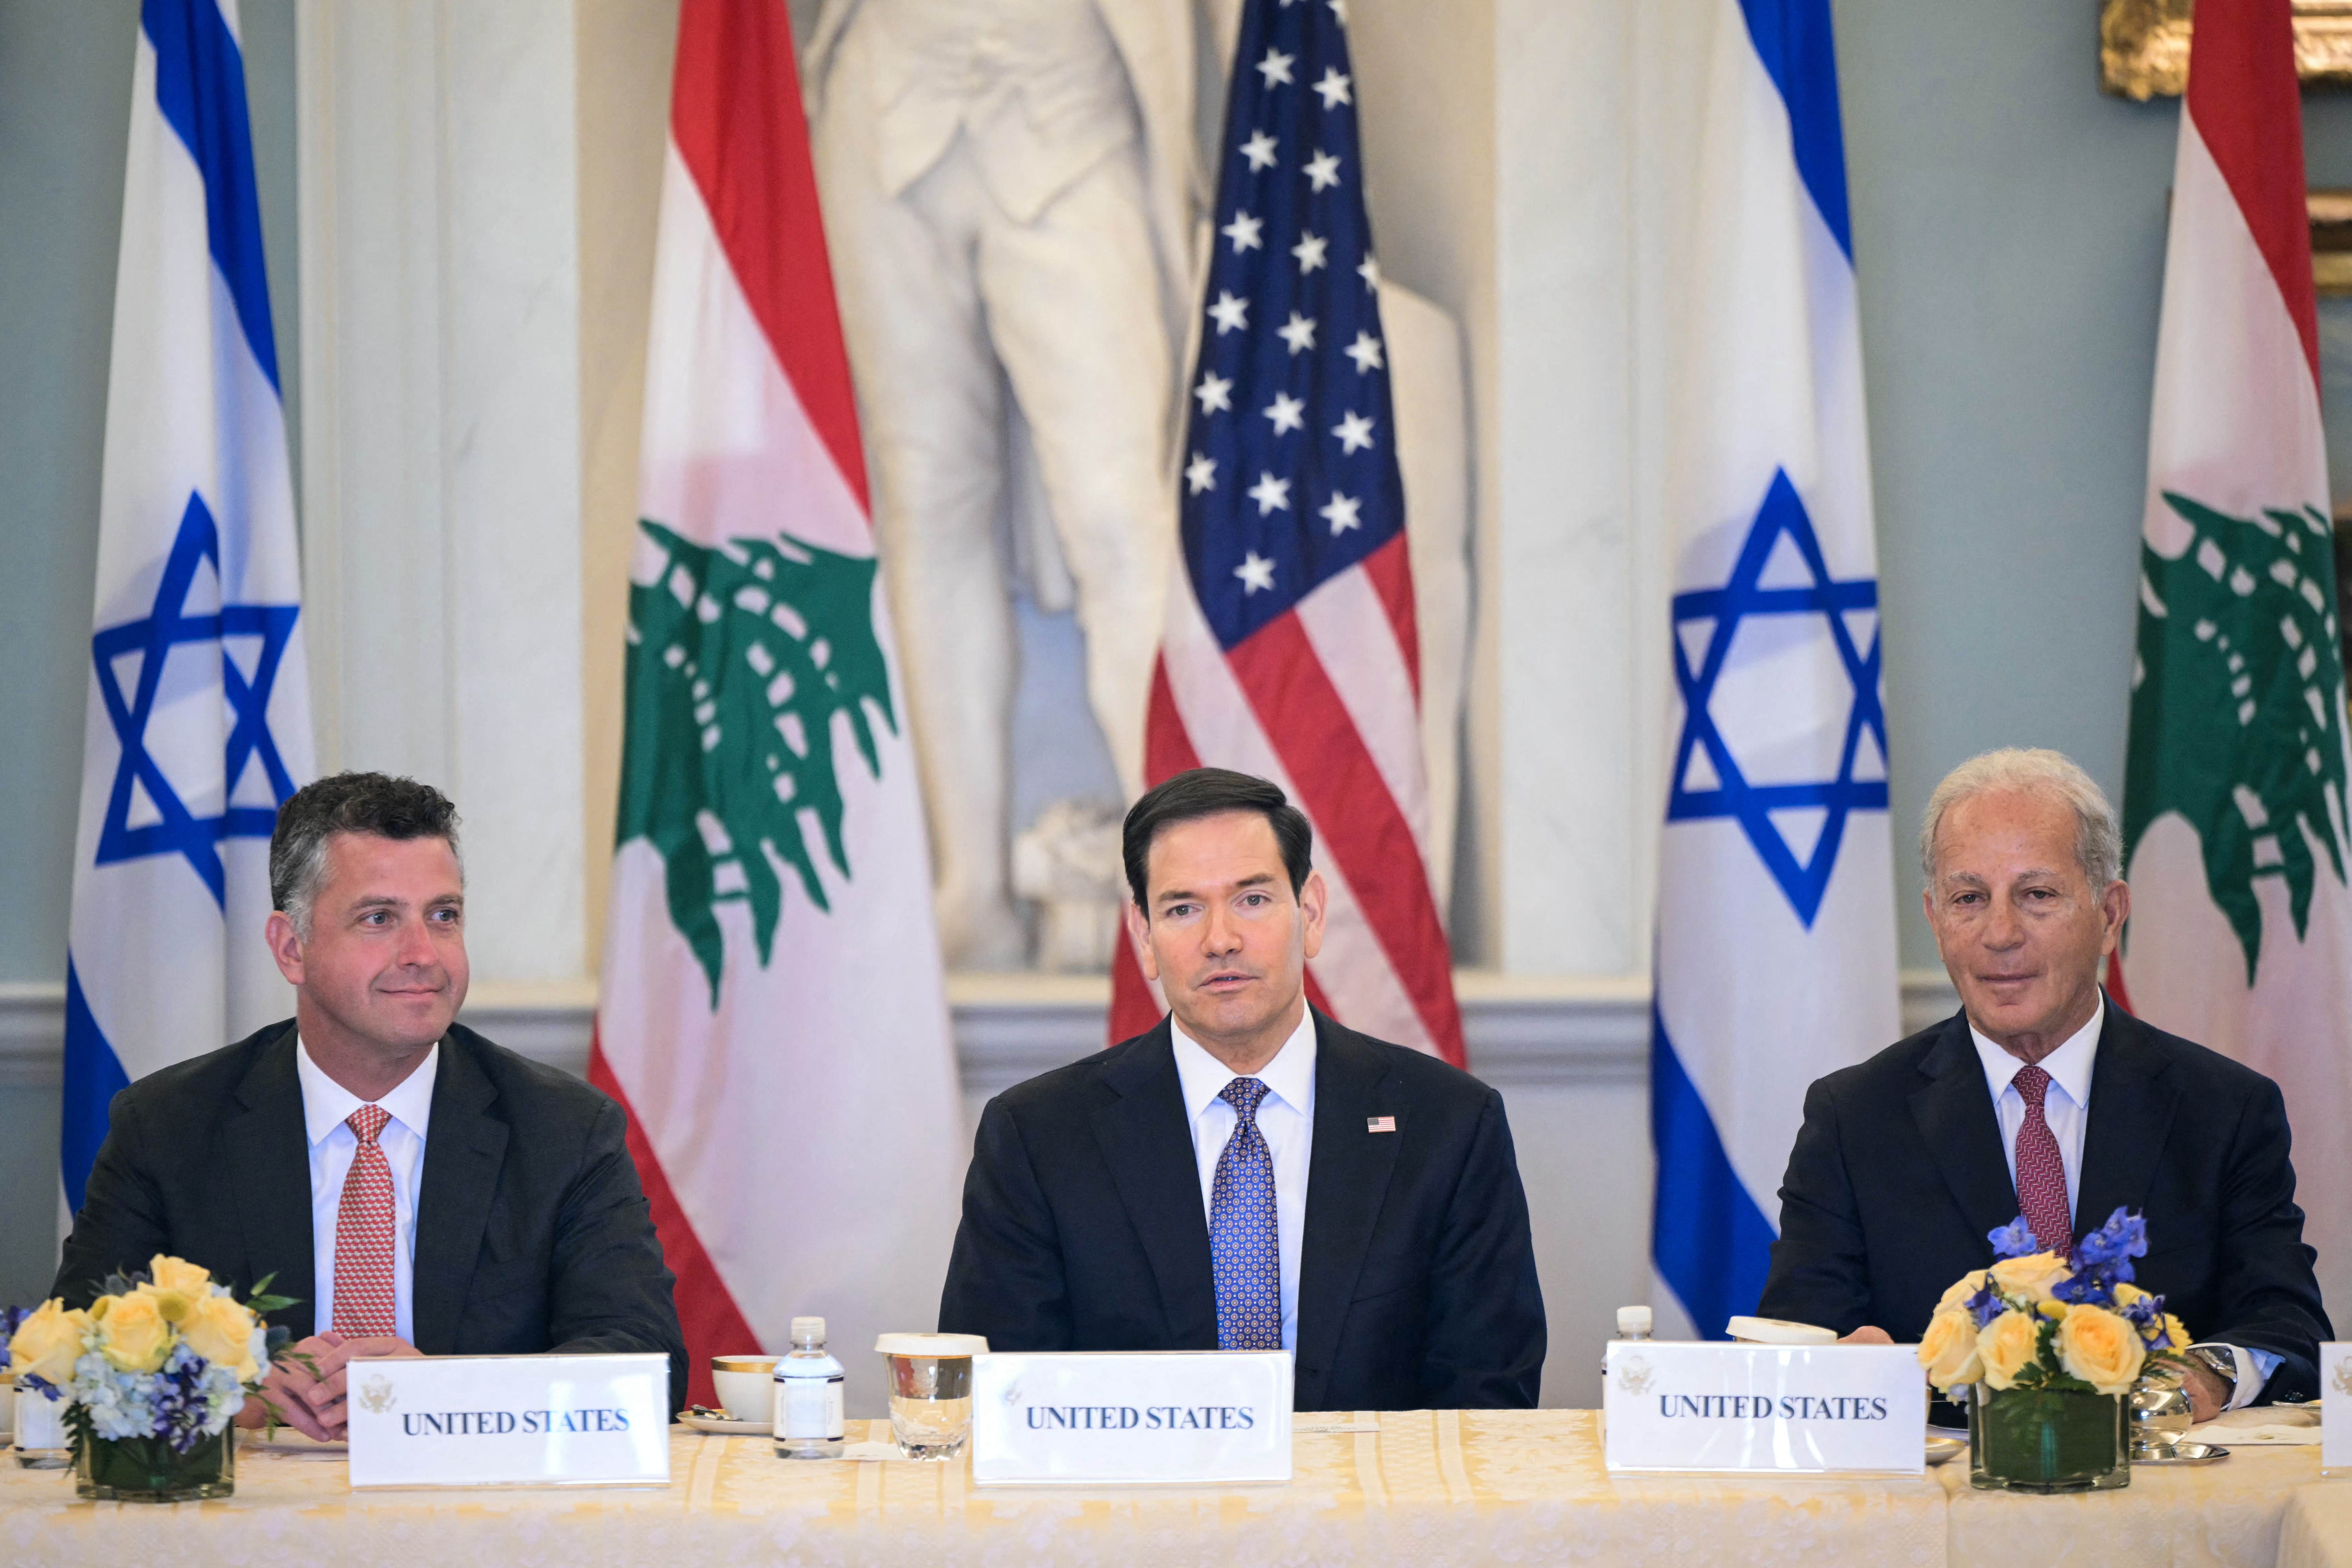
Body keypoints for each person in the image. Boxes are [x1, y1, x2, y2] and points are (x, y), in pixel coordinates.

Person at [53, 773, 687, 1437]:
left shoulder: (564, 1131)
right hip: (251, 1524)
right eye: (379, 918)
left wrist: (443, 1393)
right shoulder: (168, 1127)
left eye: (443, 915)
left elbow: (646, 1362)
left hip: (477, 1523)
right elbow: (74, 1345)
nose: (423, 954)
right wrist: (224, 1393)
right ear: (291, 947)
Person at [937, 766, 1545, 1408]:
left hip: (1370, 1504)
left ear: (1310, 913)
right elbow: (999, 1400)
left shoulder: (1447, 1125)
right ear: (1144, 937)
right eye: (1182, 909)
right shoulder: (1039, 1139)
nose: (1220, 940)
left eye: (1252, 900)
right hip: (1138, 1505)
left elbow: (1488, 1399)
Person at [1758, 748, 2330, 1418]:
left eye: (2035, 895)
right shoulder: (1852, 1118)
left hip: (2157, 1501)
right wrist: (1846, 1369)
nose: (1999, 933)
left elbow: (2286, 1325)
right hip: (1939, 1509)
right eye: (1968, 898)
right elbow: (1800, 1334)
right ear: (1935, 918)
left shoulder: (2224, 1108)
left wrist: (2198, 1375)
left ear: (2109, 914)